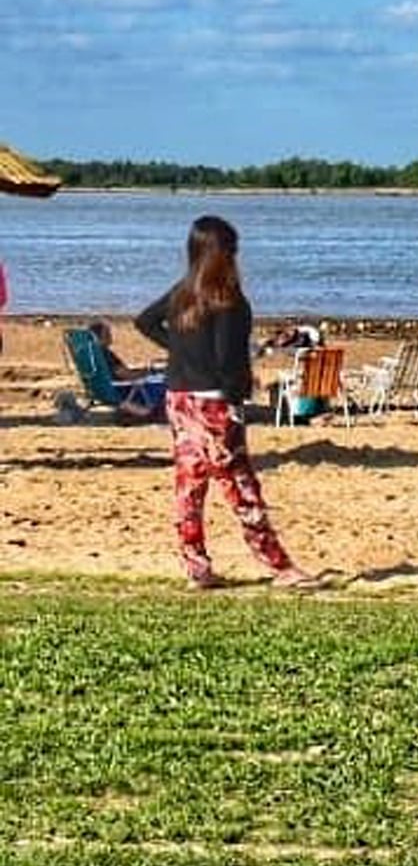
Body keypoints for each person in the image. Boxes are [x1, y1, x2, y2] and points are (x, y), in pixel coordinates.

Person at [134, 216, 317, 590]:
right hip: (214, 404)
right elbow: (228, 361)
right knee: (241, 487)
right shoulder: (229, 301)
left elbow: (145, 322)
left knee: (190, 485)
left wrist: (181, 353)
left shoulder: (184, 292)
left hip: (180, 398)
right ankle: (279, 566)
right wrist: (237, 397)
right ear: (226, 254)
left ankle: (196, 567)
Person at [86, 318, 168, 423]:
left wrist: (145, 371)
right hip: (122, 389)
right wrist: (147, 372)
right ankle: (158, 412)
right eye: (108, 333)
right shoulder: (105, 355)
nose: (111, 336)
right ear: (100, 335)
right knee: (163, 381)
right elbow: (124, 374)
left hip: (102, 389)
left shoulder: (91, 354)